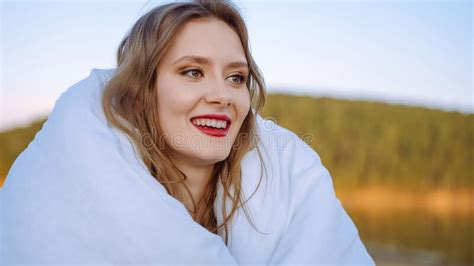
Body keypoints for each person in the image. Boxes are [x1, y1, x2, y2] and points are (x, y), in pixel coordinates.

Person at [1, 0, 375, 264]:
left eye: (236, 77)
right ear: (140, 94)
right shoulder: (83, 201)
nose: (221, 95)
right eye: (193, 71)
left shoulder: (290, 186)